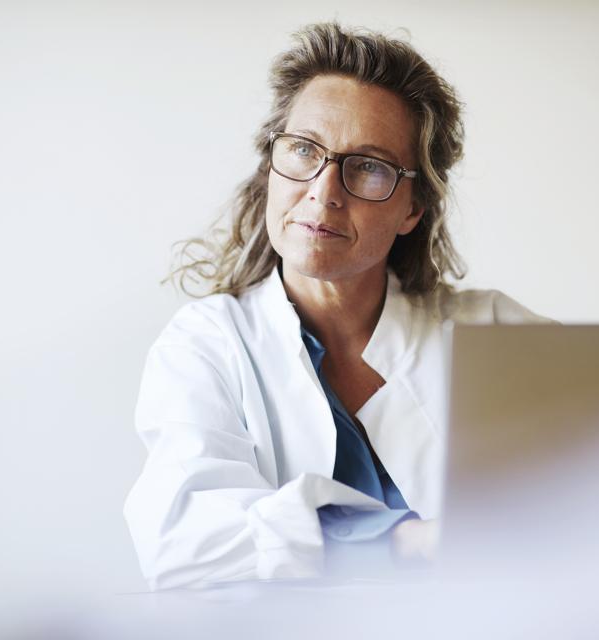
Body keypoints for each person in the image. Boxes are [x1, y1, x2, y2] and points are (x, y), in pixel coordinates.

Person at [124, 22, 551, 590]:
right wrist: (406, 541)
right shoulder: (207, 344)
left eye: (369, 166)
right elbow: (180, 543)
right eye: (304, 150)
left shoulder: (496, 333)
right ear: (270, 168)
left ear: (412, 209)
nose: (324, 191)